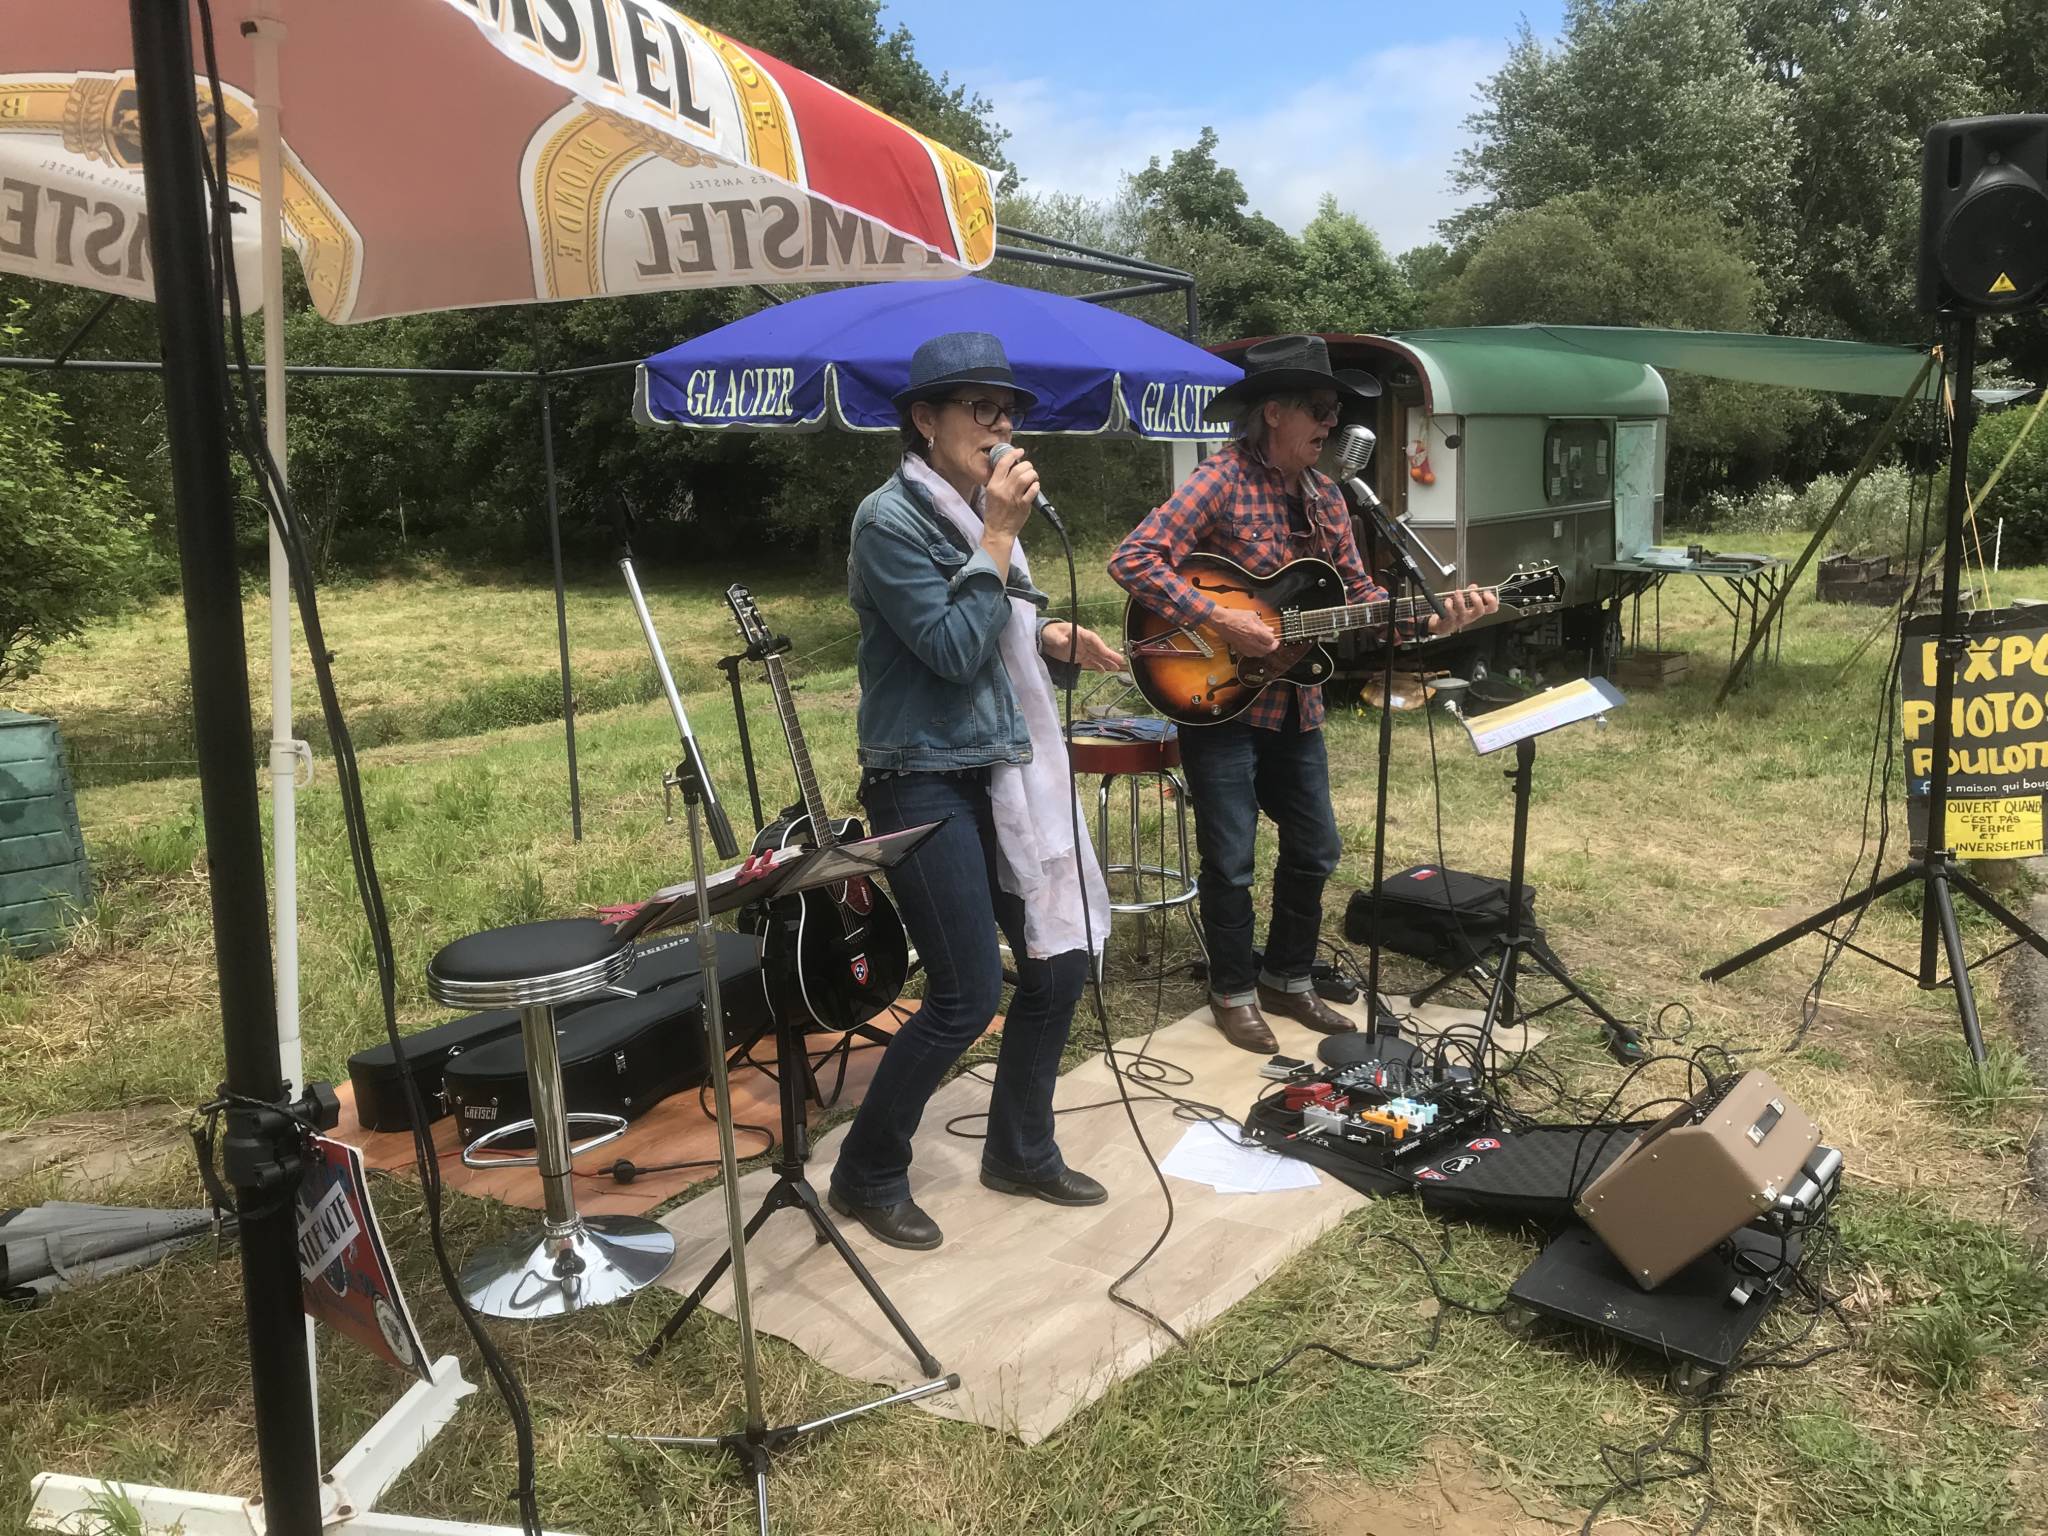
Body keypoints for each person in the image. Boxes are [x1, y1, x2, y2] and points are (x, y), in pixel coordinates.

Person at [1109, 335, 1498, 1055]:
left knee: (1316, 849)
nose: (1331, 421)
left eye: (1334, 410)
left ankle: (1286, 977)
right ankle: (1231, 990)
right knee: (1231, 859)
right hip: (1217, 697)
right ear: (1272, 412)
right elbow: (1133, 558)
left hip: (1296, 703)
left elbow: (1362, 602)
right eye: (1318, 407)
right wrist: (1220, 618)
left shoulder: (1328, 496)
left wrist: (1434, 618)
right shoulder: (1220, 480)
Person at [829, 331, 1125, 1251]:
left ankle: (1020, 1151)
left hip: (998, 767)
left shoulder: (975, 515)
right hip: (921, 775)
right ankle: (866, 1172)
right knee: (963, 994)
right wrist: (998, 533)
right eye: (981, 408)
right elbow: (953, 649)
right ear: (925, 419)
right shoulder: (890, 520)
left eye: (1010, 411)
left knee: (1058, 963)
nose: (1001, 426)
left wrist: (1048, 637)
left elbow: (994, 630)